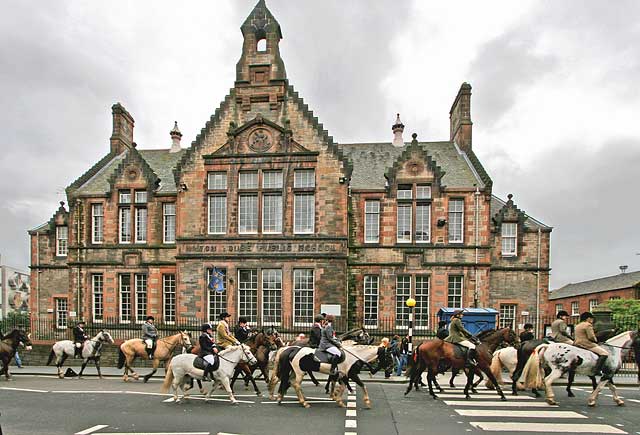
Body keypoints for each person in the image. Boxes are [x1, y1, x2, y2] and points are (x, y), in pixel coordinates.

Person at [574, 312, 609, 376]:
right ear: (588, 318)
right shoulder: (588, 325)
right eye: (591, 319)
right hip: (586, 344)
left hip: (577, 343)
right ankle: (597, 370)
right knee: (605, 353)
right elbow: (591, 337)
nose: (592, 321)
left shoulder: (577, 325)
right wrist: (595, 341)